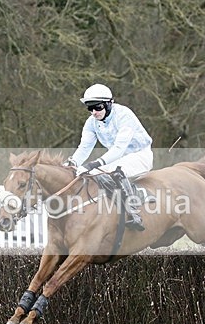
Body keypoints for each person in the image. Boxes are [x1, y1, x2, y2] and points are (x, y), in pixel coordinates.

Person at [65, 83, 153, 231]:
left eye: (98, 107)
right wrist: (71, 163)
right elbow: (84, 148)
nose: (94, 112)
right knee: (92, 174)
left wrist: (94, 164)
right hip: (118, 159)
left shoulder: (124, 115)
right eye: (90, 108)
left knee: (111, 171)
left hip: (140, 155)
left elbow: (119, 149)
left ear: (109, 104)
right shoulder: (91, 123)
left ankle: (135, 212)